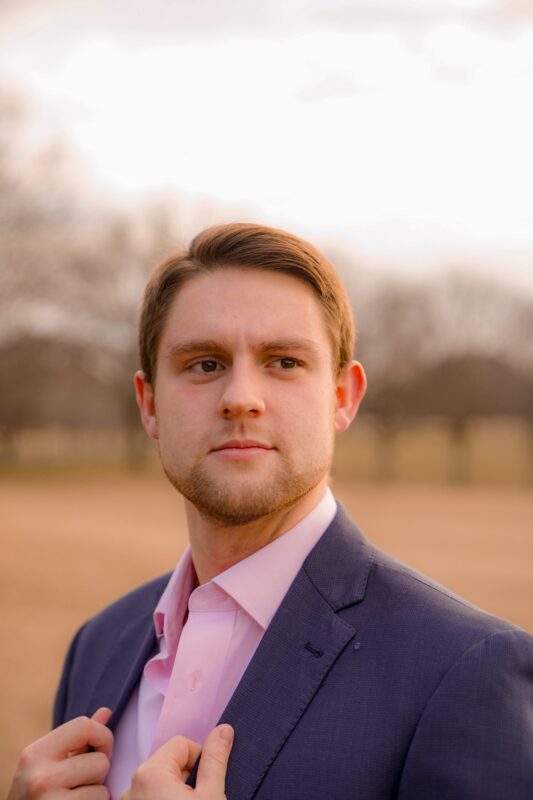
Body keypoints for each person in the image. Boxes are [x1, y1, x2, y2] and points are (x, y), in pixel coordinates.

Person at [8, 223, 533, 800]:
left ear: (343, 397)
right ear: (149, 405)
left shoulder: (466, 669)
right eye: (204, 364)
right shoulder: (99, 643)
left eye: (283, 362)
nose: (240, 397)